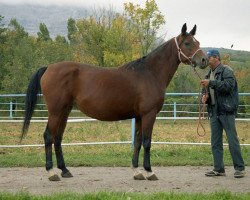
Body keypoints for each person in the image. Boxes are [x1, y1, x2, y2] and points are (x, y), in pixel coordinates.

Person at [200, 49, 245, 178]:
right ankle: (218, 169)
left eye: (209, 58)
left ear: (216, 58)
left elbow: (228, 87)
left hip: (226, 111)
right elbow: (207, 91)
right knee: (215, 142)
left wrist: (211, 83)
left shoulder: (227, 70)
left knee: (232, 140)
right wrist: (204, 96)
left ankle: (240, 168)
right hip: (213, 111)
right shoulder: (209, 74)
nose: (207, 60)